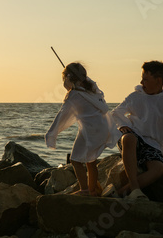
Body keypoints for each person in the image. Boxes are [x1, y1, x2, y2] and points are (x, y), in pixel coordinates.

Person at [45, 62, 119, 196]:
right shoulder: (92, 90)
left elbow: (62, 115)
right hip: (101, 128)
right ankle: (92, 190)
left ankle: (84, 190)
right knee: (91, 161)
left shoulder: (74, 95)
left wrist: (51, 133)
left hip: (90, 130)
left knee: (75, 160)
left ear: (68, 79)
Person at [111, 60, 163, 200]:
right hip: (132, 138)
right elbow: (116, 113)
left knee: (158, 169)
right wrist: (124, 126)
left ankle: (122, 192)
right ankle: (135, 190)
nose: (141, 82)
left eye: (145, 79)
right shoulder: (135, 96)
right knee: (129, 138)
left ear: (158, 81)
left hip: (152, 144)